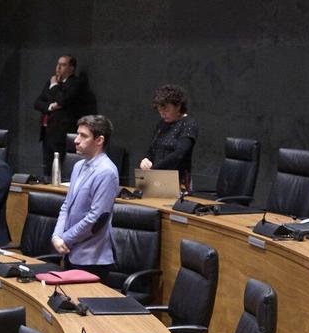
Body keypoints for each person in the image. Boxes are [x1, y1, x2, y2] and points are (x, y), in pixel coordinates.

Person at [53, 115, 122, 282]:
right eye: (77, 134)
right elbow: (66, 205)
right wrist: (56, 236)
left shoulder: (106, 172)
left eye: (83, 136)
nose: (76, 140)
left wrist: (66, 238)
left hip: (92, 259)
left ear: (99, 140)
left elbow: (96, 218)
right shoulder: (78, 166)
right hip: (71, 253)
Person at [33, 55, 92, 173]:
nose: (58, 67)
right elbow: (37, 103)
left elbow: (62, 100)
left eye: (63, 65)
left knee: (60, 167)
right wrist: (50, 106)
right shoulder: (51, 81)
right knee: (47, 167)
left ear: (71, 68)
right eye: (58, 64)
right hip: (47, 131)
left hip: (62, 133)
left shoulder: (75, 83)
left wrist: (54, 86)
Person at [137, 85, 197, 190]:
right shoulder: (162, 124)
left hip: (178, 182)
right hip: (157, 179)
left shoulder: (188, 124)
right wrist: (146, 160)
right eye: (160, 111)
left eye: (166, 110)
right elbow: (153, 149)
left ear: (178, 106)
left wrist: (154, 169)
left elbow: (179, 154)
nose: (162, 114)